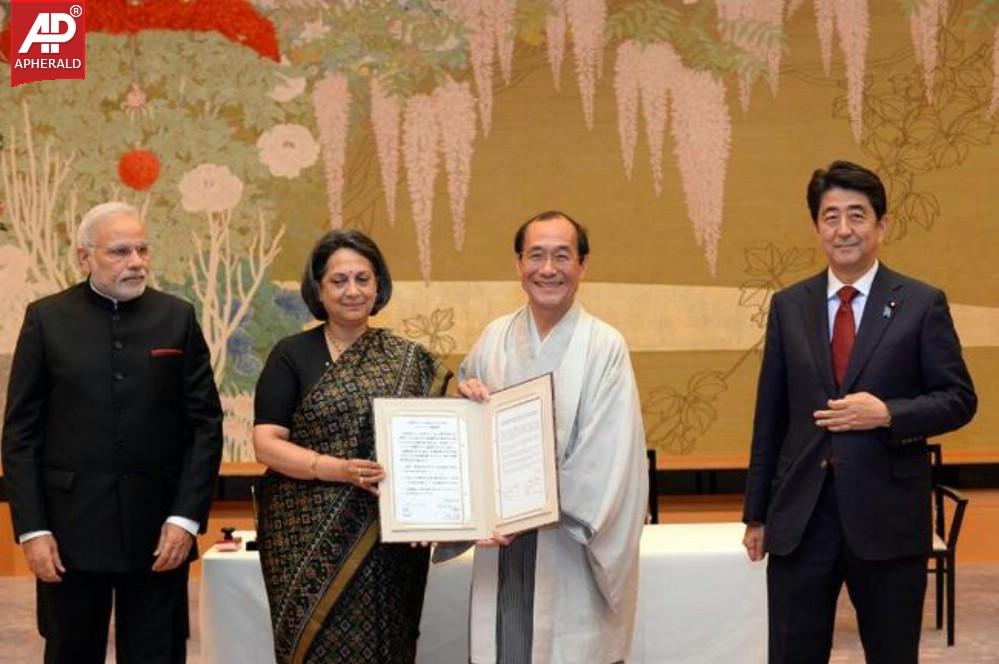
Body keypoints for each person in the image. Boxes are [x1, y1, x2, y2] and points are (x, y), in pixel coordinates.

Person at [742, 160, 977, 663]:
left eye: (857, 215)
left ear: (882, 226)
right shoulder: (789, 305)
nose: (843, 229)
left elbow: (959, 398)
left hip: (887, 516)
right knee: (792, 653)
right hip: (802, 517)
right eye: (831, 217)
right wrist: (757, 513)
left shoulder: (919, 303)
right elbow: (771, 415)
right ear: (816, 227)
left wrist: (887, 413)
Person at [2, 202, 224, 664]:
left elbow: (204, 426)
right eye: (120, 251)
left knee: (157, 654)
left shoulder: (176, 318)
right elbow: (20, 433)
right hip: (68, 533)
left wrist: (185, 519)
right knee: (70, 652)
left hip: (160, 533)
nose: (137, 261)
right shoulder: (46, 319)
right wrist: (33, 529)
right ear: (85, 257)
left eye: (142, 249)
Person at [443, 210, 647, 663]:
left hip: (569, 545)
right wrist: (467, 399)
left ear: (582, 265)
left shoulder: (604, 346)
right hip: (501, 545)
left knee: (570, 648)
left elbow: (609, 456)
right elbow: (467, 434)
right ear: (519, 265)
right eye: (535, 256)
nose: (548, 269)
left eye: (562, 256)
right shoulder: (494, 337)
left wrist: (536, 507)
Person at [253, 229, 452, 664]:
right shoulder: (291, 355)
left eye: (363, 279)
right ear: (318, 289)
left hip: (389, 540)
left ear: (378, 285)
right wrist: (335, 468)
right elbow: (266, 444)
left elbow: (437, 440)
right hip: (304, 542)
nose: (352, 291)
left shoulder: (410, 359)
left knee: (387, 644)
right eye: (339, 280)